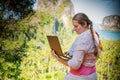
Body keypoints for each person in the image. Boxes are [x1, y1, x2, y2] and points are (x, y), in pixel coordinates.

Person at [51, 13, 102, 80]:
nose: (74, 29)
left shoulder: (83, 39)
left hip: (79, 77)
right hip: (92, 75)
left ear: (84, 24)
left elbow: (75, 65)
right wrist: (72, 53)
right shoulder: (94, 35)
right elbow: (88, 54)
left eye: (76, 26)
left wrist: (58, 58)